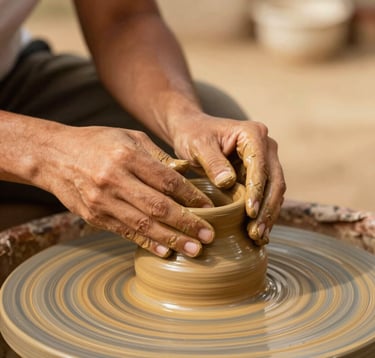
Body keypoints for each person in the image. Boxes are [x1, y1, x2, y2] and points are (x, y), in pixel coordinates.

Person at [0, 0, 286, 258]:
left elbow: (123, 17)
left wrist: (184, 118)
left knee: (219, 148)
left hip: (9, 73)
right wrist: (50, 153)